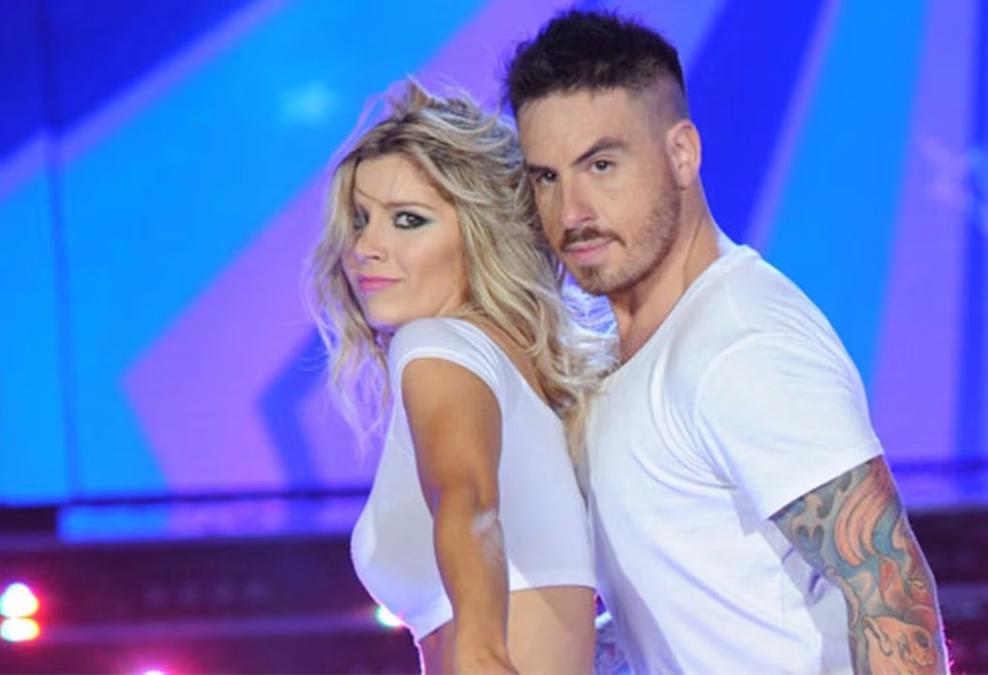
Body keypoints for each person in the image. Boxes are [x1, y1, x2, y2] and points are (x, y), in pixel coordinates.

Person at [504, 10, 948, 674]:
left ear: (682, 153)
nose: (572, 212)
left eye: (601, 164)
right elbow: (698, 608)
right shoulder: (630, 356)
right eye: (547, 177)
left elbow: (889, 591)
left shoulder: (740, 341)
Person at [305, 80, 607, 674]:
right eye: (360, 220)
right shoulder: (506, 367)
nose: (366, 246)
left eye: (407, 220)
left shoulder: (435, 345)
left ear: (480, 233)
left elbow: (466, 499)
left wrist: (481, 651)